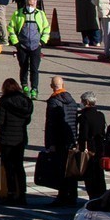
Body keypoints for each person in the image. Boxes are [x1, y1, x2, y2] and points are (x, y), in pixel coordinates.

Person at [0, 77, 33, 203]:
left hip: (7, 138)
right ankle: (22, 194)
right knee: (19, 166)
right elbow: (27, 120)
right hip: (20, 137)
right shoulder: (26, 102)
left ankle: (11, 193)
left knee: (9, 167)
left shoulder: (4, 102)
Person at [42, 81, 81, 209]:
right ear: (63, 85)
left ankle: (62, 197)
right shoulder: (72, 101)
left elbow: (51, 124)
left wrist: (50, 143)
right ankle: (72, 196)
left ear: (52, 86)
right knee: (71, 170)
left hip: (59, 140)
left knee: (60, 170)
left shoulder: (54, 101)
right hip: (71, 139)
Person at [10, 0, 49, 96]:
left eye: (32, 4)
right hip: (22, 46)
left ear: (36, 4)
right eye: (28, 4)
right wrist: (16, 43)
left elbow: (46, 28)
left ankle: (34, 89)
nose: (30, 6)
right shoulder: (18, 14)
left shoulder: (40, 14)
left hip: (36, 46)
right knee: (23, 67)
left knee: (34, 69)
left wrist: (42, 41)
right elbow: (11, 28)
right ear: (25, 4)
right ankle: (25, 86)